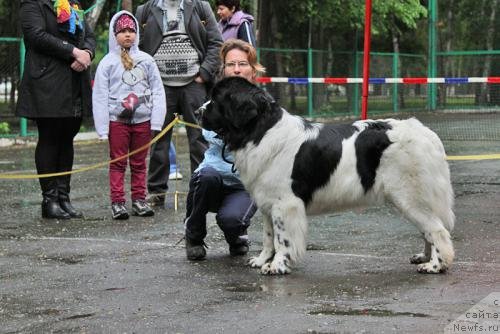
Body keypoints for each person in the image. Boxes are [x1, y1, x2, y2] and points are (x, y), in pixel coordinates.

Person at [135, 0, 223, 207]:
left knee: (200, 138)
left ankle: (204, 189)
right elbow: (135, 46)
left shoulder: (200, 7)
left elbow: (216, 43)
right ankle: (156, 192)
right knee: (159, 140)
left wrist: (204, 73)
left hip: (194, 84)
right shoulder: (145, 10)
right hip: (160, 86)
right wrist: (146, 78)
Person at [184, 39, 265, 260]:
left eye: (243, 64)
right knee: (206, 177)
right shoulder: (212, 106)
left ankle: (237, 235)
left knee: (231, 219)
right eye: (231, 64)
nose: (237, 69)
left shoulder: (266, 107)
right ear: (224, 69)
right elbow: (209, 133)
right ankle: (193, 235)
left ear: (253, 69)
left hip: (245, 184)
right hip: (214, 176)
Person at [16, 0, 96, 219]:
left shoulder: (72, 4)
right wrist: (73, 52)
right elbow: (35, 36)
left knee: (67, 137)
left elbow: (88, 33)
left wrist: (87, 53)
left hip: (74, 81)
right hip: (47, 82)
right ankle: (49, 200)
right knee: (50, 137)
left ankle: (64, 198)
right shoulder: (32, 3)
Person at [92, 11, 166, 219]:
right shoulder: (107, 62)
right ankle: (117, 202)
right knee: (117, 162)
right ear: (114, 34)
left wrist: (157, 121)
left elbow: (158, 90)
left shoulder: (147, 60)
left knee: (140, 162)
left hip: (143, 121)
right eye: (122, 31)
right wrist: (102, 128)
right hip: (118, 122)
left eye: (131, 30)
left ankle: (139, 200)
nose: (127, 35)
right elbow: (100, 95)